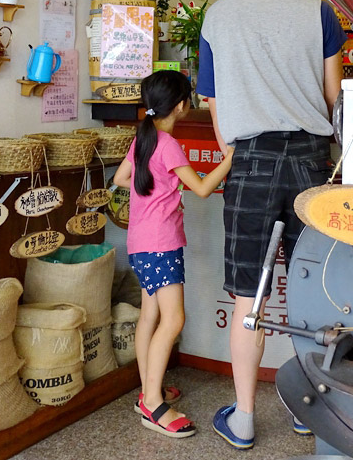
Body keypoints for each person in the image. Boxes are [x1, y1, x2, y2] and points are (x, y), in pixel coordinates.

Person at [196, 0, 346, 449]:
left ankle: (242, 417)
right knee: (314, 289)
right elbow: (333, 95)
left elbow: (214, 107)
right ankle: (311, 410)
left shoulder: (216, 15)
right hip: (310, 160)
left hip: (251, 159)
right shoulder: (318, 10)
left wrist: (239, 151)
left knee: (248, 299)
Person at [113, 70, 234, 439]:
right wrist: (229, 157)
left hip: (140, 242)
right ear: (181, 105)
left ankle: (148, 390)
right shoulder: (168, 144)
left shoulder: (144, 138)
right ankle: (153, 403)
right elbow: (200, 188)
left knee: (150, 315)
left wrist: (158, 193)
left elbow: (121, 178)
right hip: (162, 245)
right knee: (174, 319)